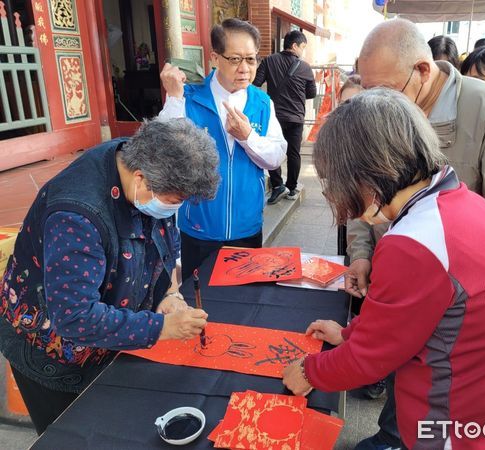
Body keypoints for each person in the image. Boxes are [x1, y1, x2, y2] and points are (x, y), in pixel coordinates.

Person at [282, 88, 485, 450]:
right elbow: (400, 323)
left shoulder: (415, 244)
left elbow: (369, 361)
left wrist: (309, 371)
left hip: (457, 425)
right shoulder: (456, 201)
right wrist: (349, 334)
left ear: (367, 175)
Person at [344, 18, 485, 450]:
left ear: (422, 70)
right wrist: (362, 253)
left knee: (438, 402)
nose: (374, 102)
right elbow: (362, 194)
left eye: (384, 90)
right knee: (408, 390)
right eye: (367, 91)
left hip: (461, 309)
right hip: (401, 287)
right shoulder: (387, 111)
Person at [0, 118, 219, 434]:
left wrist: (168, 293)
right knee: (74, 434)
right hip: (52, 349)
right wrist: (160, 327)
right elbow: (74, 317)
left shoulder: (134, 159)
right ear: (141, 179)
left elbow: (162, 234)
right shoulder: (76, 216)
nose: (174, 210)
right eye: (174, 202)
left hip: (112, 333)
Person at [158, 19, 286, 281]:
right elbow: (162, 151)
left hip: (247, 227)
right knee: (199, 302)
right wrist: (172, 97)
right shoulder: (189, 98)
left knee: (243, 304)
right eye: (235, 59)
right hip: (198, 227)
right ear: (215, 58)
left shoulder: (262, 102)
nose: (245, 69)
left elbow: (275, 157)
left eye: (251, 60)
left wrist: (247, 136)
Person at [253, 30, 317, 204]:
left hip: (274, 117)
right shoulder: (304, 67)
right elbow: (312, 93)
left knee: (273, 149)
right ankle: (291, 187)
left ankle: (277, 185)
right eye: (303, 47)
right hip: (296, 117)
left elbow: (255, 83)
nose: (303, 51)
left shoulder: (269, 61)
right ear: (295, 45)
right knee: (294, 153)